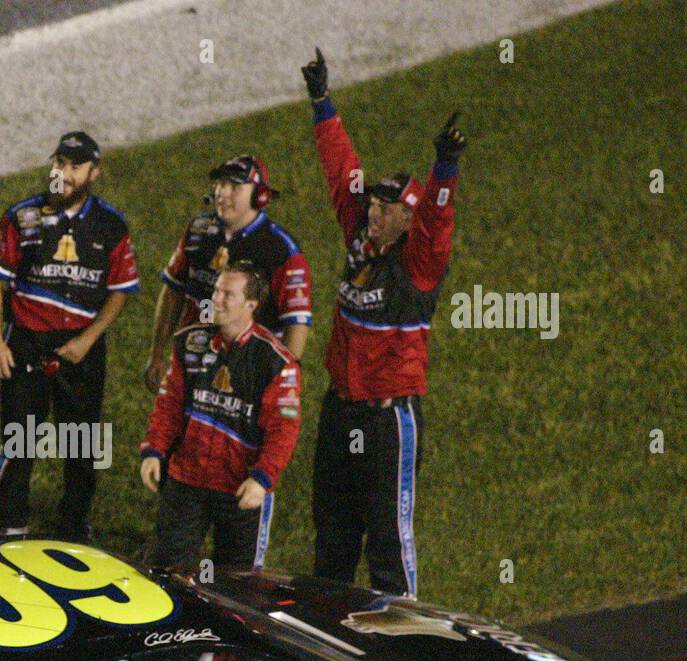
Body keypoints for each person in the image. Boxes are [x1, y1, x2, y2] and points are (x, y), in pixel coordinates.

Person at [300, 48, 466, 596]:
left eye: (387, 206)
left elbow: (439, 217)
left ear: (408, 218)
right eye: (374, 202)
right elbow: (341, 170)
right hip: (340, 412)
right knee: (332, 544)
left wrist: (445, 168)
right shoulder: (360, 239)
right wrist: (322, 102)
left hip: (387, 424)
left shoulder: (418, 266)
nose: (373, 209)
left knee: (389, 548)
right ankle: (330, 656)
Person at [0, 131, 139, 540]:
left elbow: (121, 290)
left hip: (82, 346)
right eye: (60, 164)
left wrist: (89, 338)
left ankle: (74, 521)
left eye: (75, 167)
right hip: (26, 342)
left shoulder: (111, 226)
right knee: (20, 435)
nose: (64, 174)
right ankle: (11, 517)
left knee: (82, 440)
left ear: (94, 172)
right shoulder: (21, 217)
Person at [140, 263, 302, 570]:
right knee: (163, 571)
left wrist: (262, 478)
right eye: (216, 290)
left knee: (237, 585)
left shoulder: (275, 362)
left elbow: (283, 430)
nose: (216, 298)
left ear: (251, 305)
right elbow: (170, 405)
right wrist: (154, 449)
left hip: (240, 489)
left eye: (228, 294)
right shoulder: (189, 343)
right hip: (187, 477)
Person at [145, 155, 312, 393]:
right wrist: (157, 353)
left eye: (235, 187)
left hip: (245, 378)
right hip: (192, 362)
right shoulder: (199, 231)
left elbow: (296, 324)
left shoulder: (281, 251)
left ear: (260, 196)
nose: (223, 194)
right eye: (221, 184)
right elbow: (174, 290)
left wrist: (278, 386)